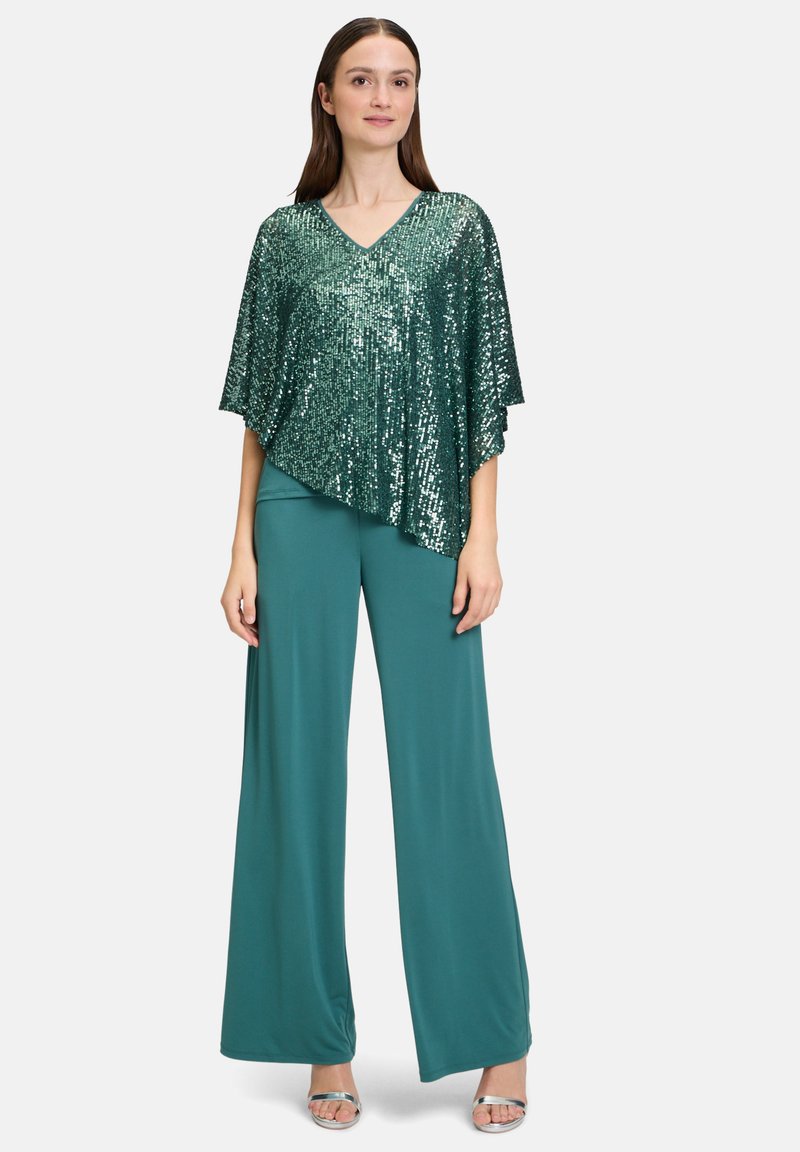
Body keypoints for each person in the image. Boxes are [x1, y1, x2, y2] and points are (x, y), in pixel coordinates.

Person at [217, 17, 531, 1134]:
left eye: (399, 79)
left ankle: (496, 1036)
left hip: (427, 515)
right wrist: (240, 544)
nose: (381, 96)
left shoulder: (458, 228)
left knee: (445, 771)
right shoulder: (283, 237)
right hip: (295, 511)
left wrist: (482, 538)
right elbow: (257, 405)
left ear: (415, 96)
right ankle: (320, 1043)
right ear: (327, 95)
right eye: (361, 78)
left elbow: (483, 395)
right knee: (293, 771)